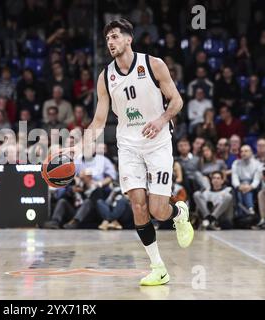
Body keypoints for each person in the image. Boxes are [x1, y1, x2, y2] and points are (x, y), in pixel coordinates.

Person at [70, 19, 193, 286]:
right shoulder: (105, 77)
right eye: (107, 39)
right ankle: (158, 267)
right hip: (128, 145)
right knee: (138, 206)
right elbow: (99, 121)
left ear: (128, 39)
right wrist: (78, 148)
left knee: (158, 210)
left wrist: (161, 120)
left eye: (115, 37)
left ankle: (179, 213)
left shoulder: (154, 64)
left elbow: (177, 100)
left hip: (158, 141)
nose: (110, 42)